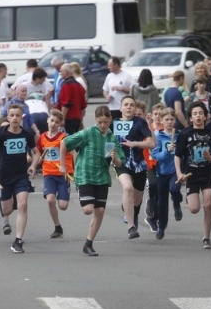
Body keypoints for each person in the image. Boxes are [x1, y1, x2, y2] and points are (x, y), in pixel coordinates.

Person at [59, 105, 122, 256]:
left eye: (105, 122)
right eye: (100, 122)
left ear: (110, 120)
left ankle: (88, 244)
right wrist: (63, 165)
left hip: (102, 177)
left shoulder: (112, 138)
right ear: (95, 120)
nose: (102, 125)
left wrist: (115, 159)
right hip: (85, 174)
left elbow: (118, 163)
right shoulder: (87, 133)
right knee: (88, 210)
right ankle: (80, 190)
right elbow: (64, 143)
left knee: (99, 211)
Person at [0, 103, 38, 254]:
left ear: (22, 117)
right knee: (7, 210)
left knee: (23, 205)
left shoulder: (26, 134)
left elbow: (36, 152)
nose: (14, 118)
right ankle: (8, 206)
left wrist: (33, 165)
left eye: (17, 115)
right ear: (8, 117)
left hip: (21, 176)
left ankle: (18, 240)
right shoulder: (1, 133)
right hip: (4, 177)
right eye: (12, 115)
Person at [174, 101, 211, 248]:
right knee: (194, 209)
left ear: (206, 116)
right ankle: (190, 199)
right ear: (190, 118)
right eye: (195, 114)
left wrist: (210, 158)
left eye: (201, 113)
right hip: (190, 175)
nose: (198, 116)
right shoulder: (185, 134)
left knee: (208, 205)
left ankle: (206, 237)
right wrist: (179, 173)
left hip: (207, 174)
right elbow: (177, 156)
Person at [112, 95, 155, 239]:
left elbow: (151, 144)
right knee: (127, 187)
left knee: (136, 200)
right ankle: (131, 227)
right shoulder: (114, 123)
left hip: (138, 164)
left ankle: (131, 210)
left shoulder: (140, 122)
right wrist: (110, 157)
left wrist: (135, 143)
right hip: (121, 163)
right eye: (126, 104)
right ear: (121, 108)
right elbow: (107, 143)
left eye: (131, 105)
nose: (129, 107)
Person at [33, 109, 73, 239]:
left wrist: (72, 169)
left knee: (63, 206)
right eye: (52, 120)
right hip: (48, 174)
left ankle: (66, 190)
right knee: (50, 200)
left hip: (62, 175)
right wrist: (35, 165)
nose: (53, 123)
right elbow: (38, 152)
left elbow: (73, 153)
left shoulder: (64, 138)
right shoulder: (42, 137)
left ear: (60, 124)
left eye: (56, 122)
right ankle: (57, 227)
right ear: (47, 120)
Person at [150, 107, 182, 239]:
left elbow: (184, 153)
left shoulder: (180, 135)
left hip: (175, 170)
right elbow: (155, 155)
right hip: (162, 171)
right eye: (166, 119)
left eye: (171, 119)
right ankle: (161, 226)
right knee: (161, 202)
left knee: (174, 189)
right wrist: (167, 151)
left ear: (175, 120)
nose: (169, 122)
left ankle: (177, 202)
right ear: (162, 121)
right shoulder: (158, 136)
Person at [57, 63, 87, 135]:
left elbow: (65, 104)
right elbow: (82, 107)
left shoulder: (66, 85)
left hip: (68, 118)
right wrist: (81, 120)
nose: (60, 73)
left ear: (66, 72)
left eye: (61, 71)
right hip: (77, 118)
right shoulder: (79, 86)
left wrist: (62, 119)